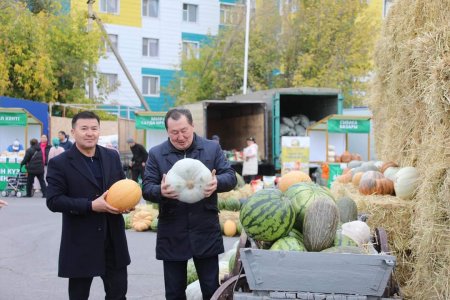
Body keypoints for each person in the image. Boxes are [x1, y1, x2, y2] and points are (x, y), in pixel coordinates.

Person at [142, 108, 236, 300]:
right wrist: (160, 191)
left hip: (205, 229)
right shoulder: (156, 153)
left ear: (193, 126)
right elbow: (147, 188)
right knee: (174, 292)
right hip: (172, 231)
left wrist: (217, 183)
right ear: (167, 132)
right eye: (174, 132)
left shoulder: (211, 148)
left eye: (184, 130)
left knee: (211, 289)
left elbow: (231, 177)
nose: (180, 136)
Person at [46, 111, 131, 300]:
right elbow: (53, 200)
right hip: (80, 241)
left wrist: (127, 204)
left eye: (94, 128)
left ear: (99, 131)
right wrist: (90, 205)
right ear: (73, 132)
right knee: (79, 295)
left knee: (118, 294)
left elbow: (121, 187)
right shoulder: (60, 163)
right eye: (84, 128)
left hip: (112, 238)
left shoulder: (111, 156)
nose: (89, 133)